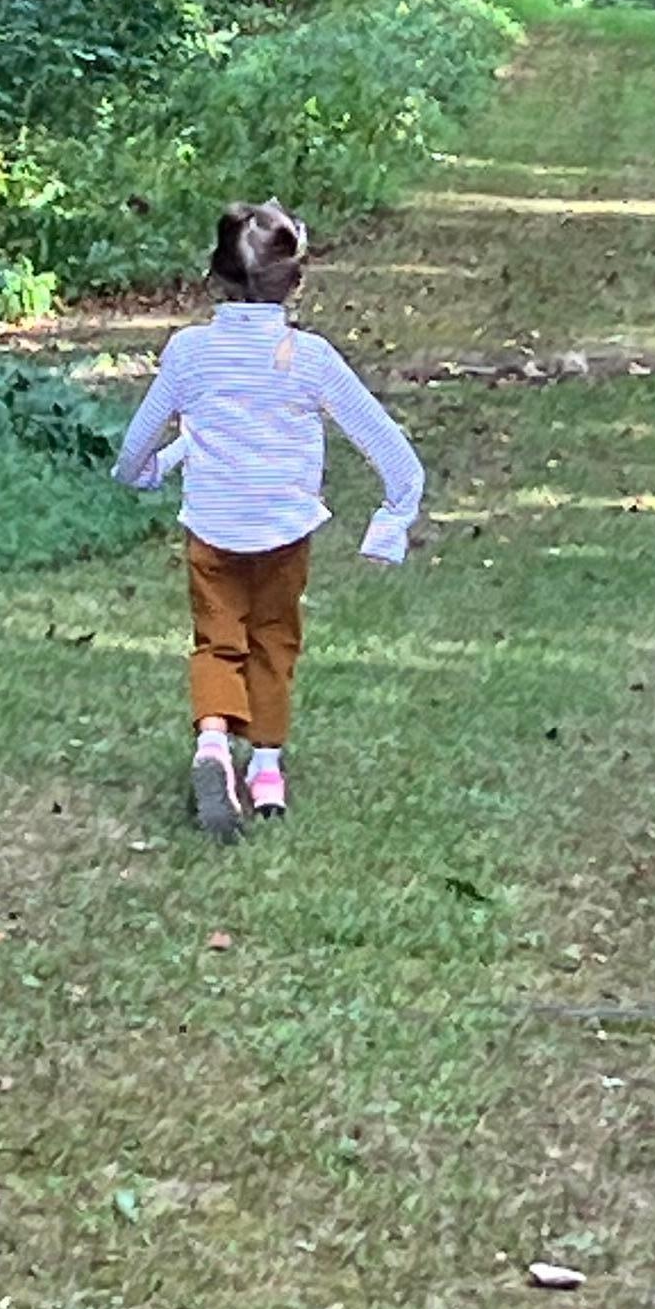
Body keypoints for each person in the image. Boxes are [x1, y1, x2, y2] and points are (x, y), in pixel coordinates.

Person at [111, 197, 425, 837]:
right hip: (284, 532)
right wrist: (392, 518)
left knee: (216, 640)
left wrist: (149, 470)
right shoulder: (310, 358)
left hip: (213, 529)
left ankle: (212, 741)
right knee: (274, 638)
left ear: (214, 276)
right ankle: (266, 768)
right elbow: (389, 447)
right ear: (296, 283)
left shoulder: (189, 352)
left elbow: (136, 447)